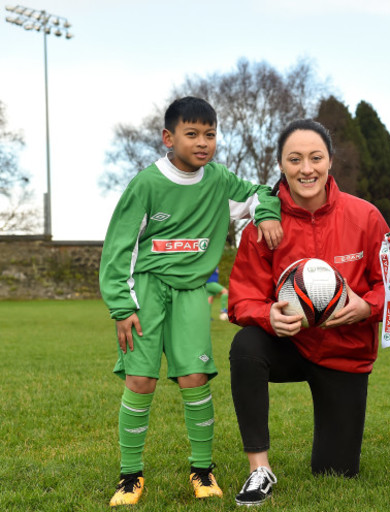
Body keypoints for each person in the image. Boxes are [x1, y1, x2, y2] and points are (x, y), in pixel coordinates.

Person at [99, 96, 283, 507]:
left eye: (211, 134)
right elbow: (119, 248)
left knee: (194, 379)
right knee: (140, 380)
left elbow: (260, 194)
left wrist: (267, 213)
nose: (203, 142)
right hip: (145, 291)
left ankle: (202, 470)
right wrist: (121, 306)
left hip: (190, 294)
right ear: (169, 137)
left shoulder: (218, 180)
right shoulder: (146, 184)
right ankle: (130, 477)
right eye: (193, 134)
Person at [227, 119, 390, 507]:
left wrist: (366, 306)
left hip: (345, 352)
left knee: (335, 472)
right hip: (288, 344)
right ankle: (259, 468)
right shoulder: (262, 226)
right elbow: (241, 299)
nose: (306, 168)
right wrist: (267, 315)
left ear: (330, 161)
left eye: (315, 158)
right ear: (281, 165)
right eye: (295, 159)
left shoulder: (365, 216)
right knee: (246, 346)